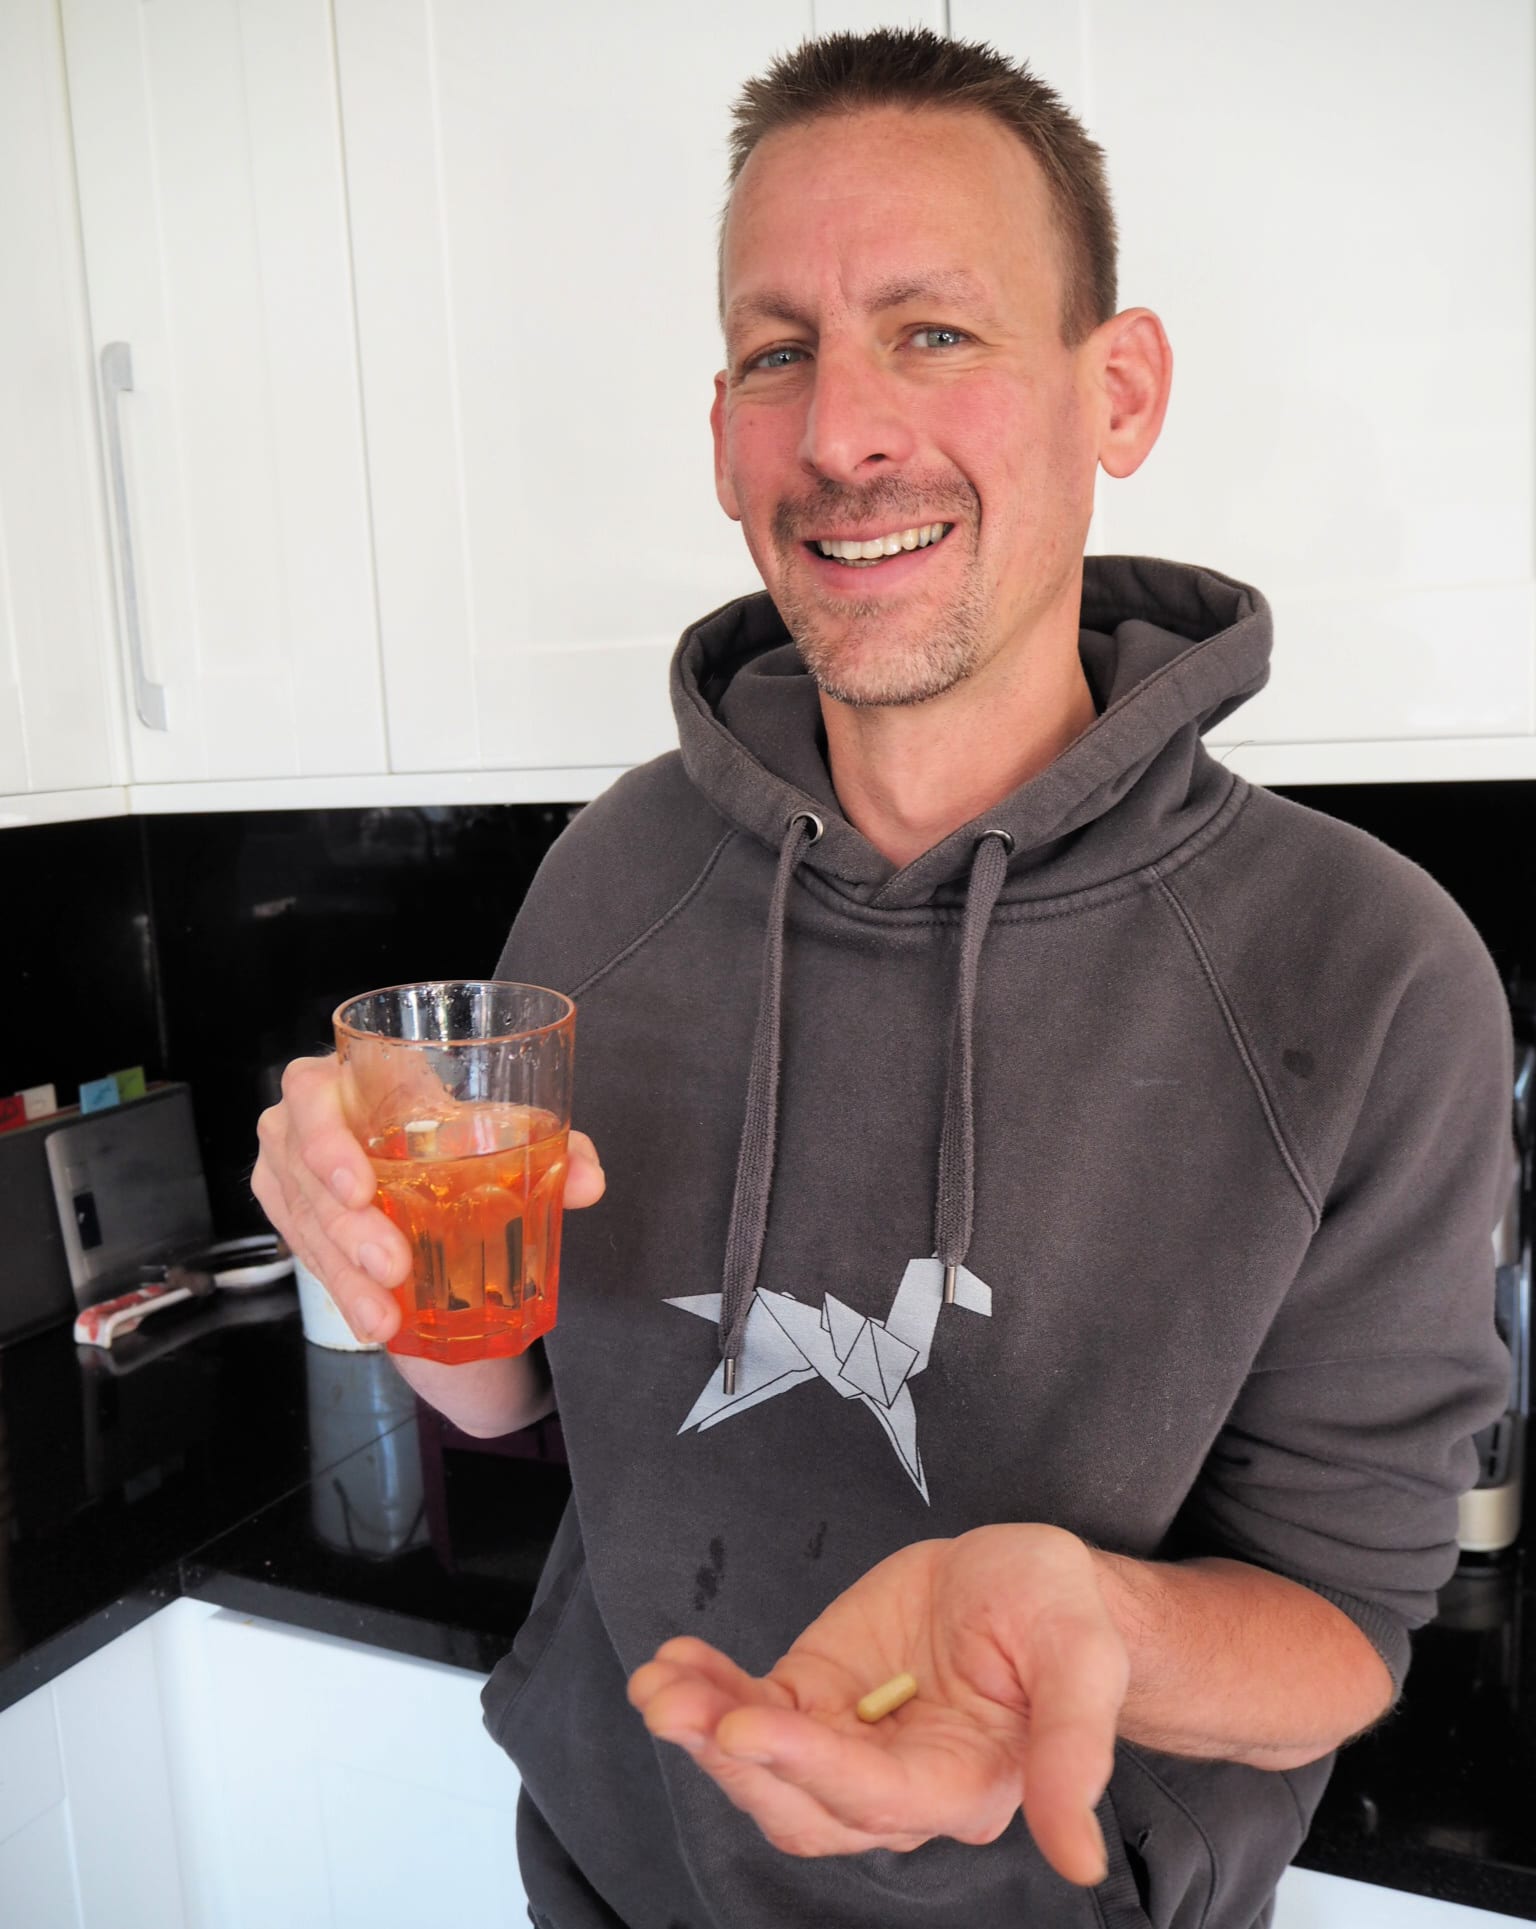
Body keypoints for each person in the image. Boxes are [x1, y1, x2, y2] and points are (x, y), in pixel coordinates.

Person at [253, 28, 1513, 1929]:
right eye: (780, 351)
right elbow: (518, 1398)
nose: (843, 433)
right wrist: (378, 1246)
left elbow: (1346, 1624)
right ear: (722, 433)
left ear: (1121, 388)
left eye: (934, 332)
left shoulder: (1371, 970)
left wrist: (1082, 1616)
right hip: (610, 1888)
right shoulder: (616, 870)